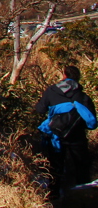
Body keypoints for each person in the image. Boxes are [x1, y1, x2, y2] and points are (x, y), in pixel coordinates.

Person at [36, 65, 97, 198]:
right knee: (81, 166)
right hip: (77, 137)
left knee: (55, 166)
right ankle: (82, 194)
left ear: (64, 75)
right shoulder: (82, 96)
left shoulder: (51, 91)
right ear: (78, 78)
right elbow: (92, 124)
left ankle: (54, 194)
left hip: (55, 137)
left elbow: (40, 109)